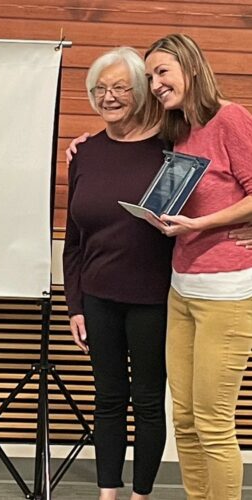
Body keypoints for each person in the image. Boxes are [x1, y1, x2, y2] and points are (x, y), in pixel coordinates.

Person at [142, 34, 252, 500]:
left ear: (190, 67)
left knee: (212, 421)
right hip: (181, 289)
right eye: (149, 77)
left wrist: (202, 223)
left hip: (226, 295)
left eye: (162, 72)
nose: (155, 84)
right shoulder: (179, 130)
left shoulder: (231, 118)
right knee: (184, 419)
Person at [62, 47, 174, 500]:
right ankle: (107, 493)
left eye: (119, 87)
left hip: (155, 299)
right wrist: (75, 305)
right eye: (99, 89)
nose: (108, 97)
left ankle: (140, 496)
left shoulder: (171, 149)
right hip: (98, 299)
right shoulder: (83, 153)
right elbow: (74, 239)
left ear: (142, 90)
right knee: (107, 401)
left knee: (148, 402)